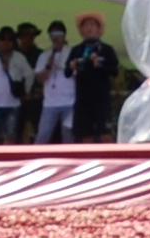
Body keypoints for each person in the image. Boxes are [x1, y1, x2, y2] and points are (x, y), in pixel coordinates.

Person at [68, 14, 122, 143]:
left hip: (101, 99)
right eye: (86, 26)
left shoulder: (106, 49)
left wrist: (100, 64)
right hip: (82, 100)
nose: (89, 29)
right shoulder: (76, 50)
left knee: (104, 133)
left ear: (99, 29)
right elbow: (67, 72)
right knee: (84, 135)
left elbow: (114, 71)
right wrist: (72, 66)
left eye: (93, 25)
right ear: (81, 31)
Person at [31, 23, 79, 146]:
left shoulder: (73, 52)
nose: (56, 38)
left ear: (64, 36)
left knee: (68, 136)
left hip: (70, 101)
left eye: (59, 35)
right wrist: (48, 65)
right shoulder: (44, 55)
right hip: (50, 103)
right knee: (43, 135)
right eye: (53, 35)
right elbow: (40, 79)